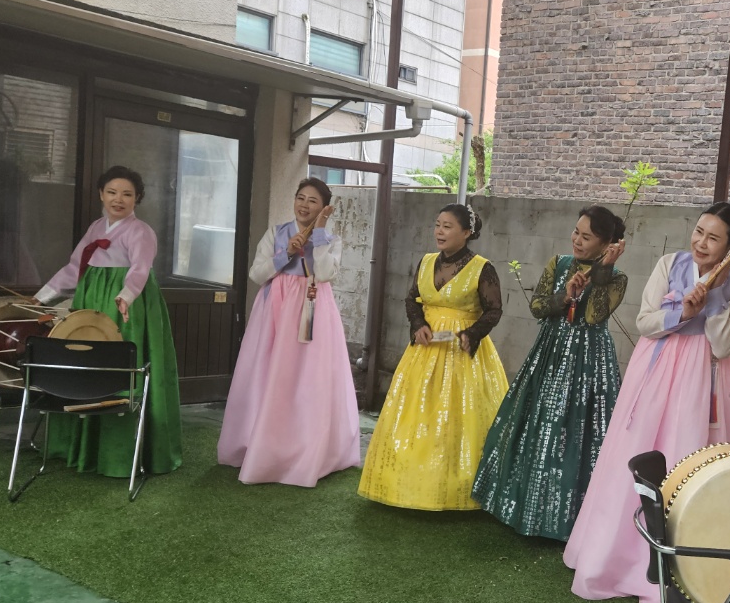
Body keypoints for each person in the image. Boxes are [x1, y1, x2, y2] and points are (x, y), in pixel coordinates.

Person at [564, 202, 730, 603]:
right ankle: (616, 559)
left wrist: (714, 301)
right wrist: (683, 311)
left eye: (714, 238)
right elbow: (645, 323)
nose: (701, 243)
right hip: (656, 373)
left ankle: (687, 573)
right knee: (637, 455)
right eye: (699, 231)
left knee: (688, 457)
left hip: (704, 381)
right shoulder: (670, 263)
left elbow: (726, 347)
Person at [473, 206, 628, 540]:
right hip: (549, 353)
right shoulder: (558, 263)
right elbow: (537, 307)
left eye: (587, 237)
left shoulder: (617, 278)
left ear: (606, 244)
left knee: (579, 432)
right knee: (537, 424)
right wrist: (565, 295)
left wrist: (603, 269)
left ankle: (571, 519)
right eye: (576, 232)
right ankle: (521, 506)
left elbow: (594, 316)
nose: (577, 240)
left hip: (589, 363)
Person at [34, 165, 183, 476]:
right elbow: (74, 268)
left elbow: (140, 269)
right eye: (112, 192)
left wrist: (125, 297)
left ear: (137, 199)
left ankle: (121, 455)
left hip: (126, 307)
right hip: (90, 301)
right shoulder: (95, 228)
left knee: (119, 365)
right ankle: (81, 449)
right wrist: (42, 298)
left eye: (127, 194)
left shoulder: (141, 231)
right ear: (101, 194)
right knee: (84, 363)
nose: (119, 199)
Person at [357, 203, 507, 510]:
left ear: (467, 232)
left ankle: (456, 488)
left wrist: (472, 334)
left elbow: (494, 310)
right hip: (424, 351)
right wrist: (418, 324)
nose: (439, 231)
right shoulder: (425, 261)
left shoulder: (483, 268)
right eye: (437, 224)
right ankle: (404, 484)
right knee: (414, 414)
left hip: (463, 354)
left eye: (447, 226)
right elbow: (411, 299)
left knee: (457, 420)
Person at [217, 178, 360, 487]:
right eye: (300, 198)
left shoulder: (330, 240)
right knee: (269, 374)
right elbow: (257, 274)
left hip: (312, 310)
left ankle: (308, 449)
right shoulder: (276, 233)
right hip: (275, 311)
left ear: (324, 208)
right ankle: (262, 444)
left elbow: (325, 273)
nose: (304, 205)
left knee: (309, 379)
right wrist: (285, 254)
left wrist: (317, 236)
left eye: (312, 201)